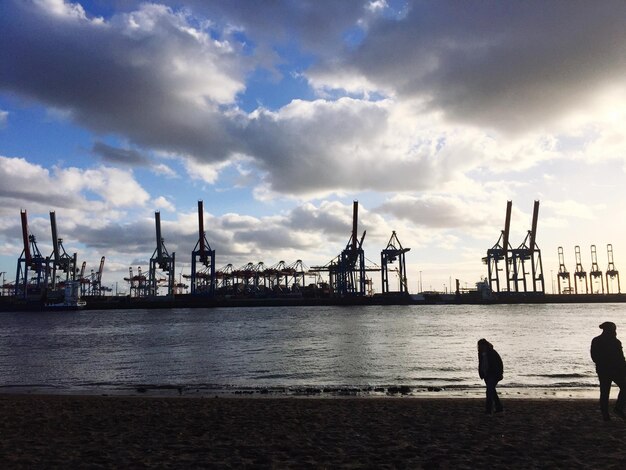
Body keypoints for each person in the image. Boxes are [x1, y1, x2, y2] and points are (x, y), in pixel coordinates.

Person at [590, 321, 626, 421]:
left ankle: (607, 414)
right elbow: (621, 358)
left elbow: (594, 357)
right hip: (614, 370)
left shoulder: (597, 340)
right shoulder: (615, 342)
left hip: (603, 370)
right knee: (621, 388)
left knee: (605, 392)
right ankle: (617, 409)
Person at [477, 338, 503, 414]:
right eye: (479, 346)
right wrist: (482, 373)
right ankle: (499, 407)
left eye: (482, 346)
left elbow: (499, 363)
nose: (481, 347)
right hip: (486, 375)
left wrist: (500, 373)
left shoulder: (492, 352)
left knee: (489, 391)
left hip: (494, 374)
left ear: (485, 345)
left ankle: (488, 410)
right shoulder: (481, 353)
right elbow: (481, 364)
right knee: (492, 391)